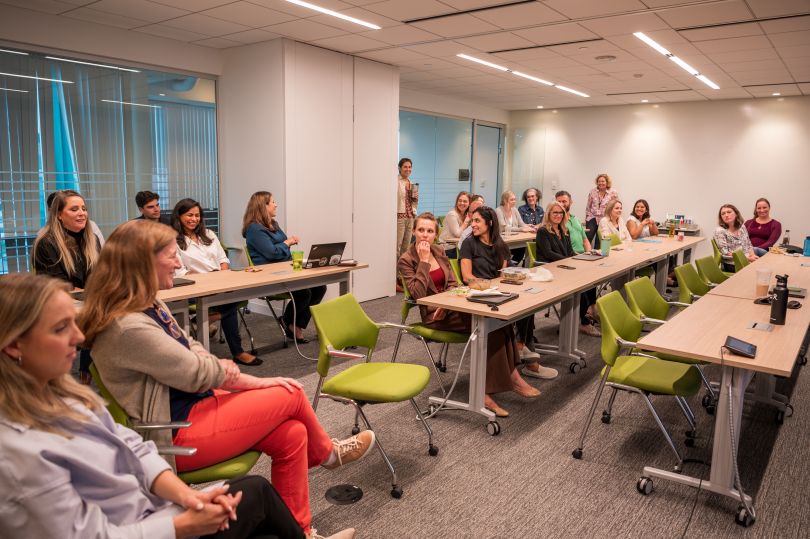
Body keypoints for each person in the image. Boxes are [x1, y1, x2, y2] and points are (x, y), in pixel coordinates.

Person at [78, 220, 370, 539]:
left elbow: (194, 350)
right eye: (171, 255)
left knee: (293, 433)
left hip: (198, 405)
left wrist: (211, 367)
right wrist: (257, 381)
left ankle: (301, 533)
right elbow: (197, 372)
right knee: (291, 391)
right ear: (143, 263)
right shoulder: (128, 326)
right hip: (176, 432)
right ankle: (328, 454)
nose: (179, 263)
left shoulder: (148, 303)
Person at [0, 272, 326, 539]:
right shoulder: (17, 454)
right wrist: (181, 525)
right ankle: (327, 456)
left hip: (154, 508)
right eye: (60, 328)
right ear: (14, 345)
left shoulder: (67, 395)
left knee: (291, 435)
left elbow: (134, 448)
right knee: (290, 400)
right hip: (157, 501)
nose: (78, 336)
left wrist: (188, 497)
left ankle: (305, 528)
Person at [399, 212, 543, 417]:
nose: (425, 235)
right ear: (414, 231)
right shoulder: (407, 259)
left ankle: (509, 378)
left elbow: (452, 282)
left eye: (430, 231)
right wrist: (423, 262)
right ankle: (489, 390)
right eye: (421, 230)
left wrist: (452, 297)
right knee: (487, 326)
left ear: (435, 234)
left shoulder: (439, 251)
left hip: (453, 306)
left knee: (498, 320)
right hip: (434, 315)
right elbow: (418, 294)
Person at [171, 198, 259, 366]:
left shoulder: (209, 234)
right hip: (195, 288)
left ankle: (203, 319)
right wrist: (208, 280)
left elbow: (223, 259)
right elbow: (181, 272)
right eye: (189, 215)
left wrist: (222, 277)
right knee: (229, 305)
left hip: (219, 283)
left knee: (238, 295)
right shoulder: (173, 240)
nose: (194, 219)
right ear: (179, 216)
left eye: (197, 215)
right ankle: (238, 352)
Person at [34, 189, 100, 384]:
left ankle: (91, 375)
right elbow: (57, 285)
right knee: (98, 321)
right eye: (74, 209)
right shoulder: (47, 243)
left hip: (87, 304)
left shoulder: (92, 239)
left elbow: (99, 277)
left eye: (84, 208)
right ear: (59, 215)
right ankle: (82, 376)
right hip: (57, 308)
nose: (82, 213)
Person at [242, 191, 326, 343]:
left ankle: (294, 323)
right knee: (304, 293)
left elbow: (280, 249)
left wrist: (287, 245)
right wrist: (287, 243)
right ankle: (290, 322)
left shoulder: (273, 224)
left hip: (285, 268)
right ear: (263, 206)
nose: (276, 205)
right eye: (273, 202)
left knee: (320, 287)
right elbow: (272, 253)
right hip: (268, 274)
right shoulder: (254, 229)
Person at [535, 202, 600, 337]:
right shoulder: (543, 231)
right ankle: (580, 320)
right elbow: (548, 254)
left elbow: (570, 251)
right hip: (550, 269)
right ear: (548, 214)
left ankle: (581, 317)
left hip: (565, 267)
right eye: (555, 213)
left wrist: (581, 259)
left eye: (561, 213)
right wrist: (568, 261)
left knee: (590, 279)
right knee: (579, 287)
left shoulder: (564, 230)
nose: (558, 215)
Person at [714, 203, 758, 271]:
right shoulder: (720, 231)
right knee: (755, 271)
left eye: (729, 212)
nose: (726, 215)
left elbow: (748, 244)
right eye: (723, 213)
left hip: (747, 259)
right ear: (721, 217)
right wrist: (748, 259)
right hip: (732, 263)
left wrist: (752, 256)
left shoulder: (742, 227)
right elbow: (725, 252)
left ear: (736, 214)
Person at [495, 191, 532, 265]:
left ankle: (512, 266)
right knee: (507, 255)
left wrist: (529, 227)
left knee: (522, 248)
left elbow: (521, 223)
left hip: (515, 237)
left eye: (515, 199)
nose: (514, 201)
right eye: (512, 199)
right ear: (505, 200)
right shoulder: (498, 210)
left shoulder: (514, 209)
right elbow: (504, 227)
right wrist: (521, 229)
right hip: (504, 239)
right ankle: (508, 265)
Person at [584, 173, 618, 245]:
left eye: (603, 181)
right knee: (588, 236)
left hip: (605, 218)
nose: (601, 183)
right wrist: (587, 218)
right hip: (592, 217)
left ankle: (598, 254)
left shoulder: (613, 192)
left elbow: (615, 206)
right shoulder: (592, 191)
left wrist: (613, 219)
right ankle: (584, 253)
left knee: (600, 239)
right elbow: (588, 206)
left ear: (607, 182)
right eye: (599, 181)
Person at [555, 190, 592, 255]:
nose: (561, 204)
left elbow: (585, 241)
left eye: (564, 201)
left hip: (582, 255)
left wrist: (589, 253)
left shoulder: (576, 219)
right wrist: (579, 256)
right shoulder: (556, 222)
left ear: (571, 202)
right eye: (559, 202)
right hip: (570, 256)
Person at [396, 157, 418, 258]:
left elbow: (414, 202)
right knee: (397, 247)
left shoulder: (412, 183)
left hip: (410, 217)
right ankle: (394, 272)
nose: (408, 169)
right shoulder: (395, 181)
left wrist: (415, 199)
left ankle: (402, 272)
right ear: (400, 168)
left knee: (406, 248)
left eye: (410, 167)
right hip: (400, 217)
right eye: (405, 167)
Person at [439, 191, 470, 257]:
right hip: (447, 249)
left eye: (465, 201)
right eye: (460, 201)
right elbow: (457, 234)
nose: (462, 203)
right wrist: (466, 222)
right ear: (456, 202)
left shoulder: (465, 215)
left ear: (469, 203)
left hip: (458, 246)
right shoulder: (452, 214)